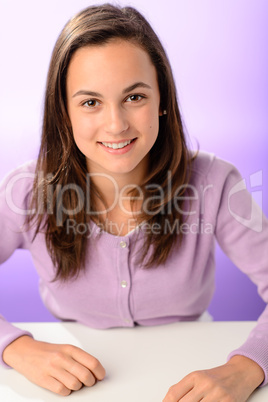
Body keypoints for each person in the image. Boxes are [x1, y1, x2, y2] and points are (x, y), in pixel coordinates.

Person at [0, 3, 267, 400]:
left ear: (162, 98)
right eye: (90, 102)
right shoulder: (25, 191)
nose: (116, 124)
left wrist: (250, 365)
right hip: (70, 380)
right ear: (64, 112)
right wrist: (13, 346)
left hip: (190, 360)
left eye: (134, 97)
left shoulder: (215, 183)